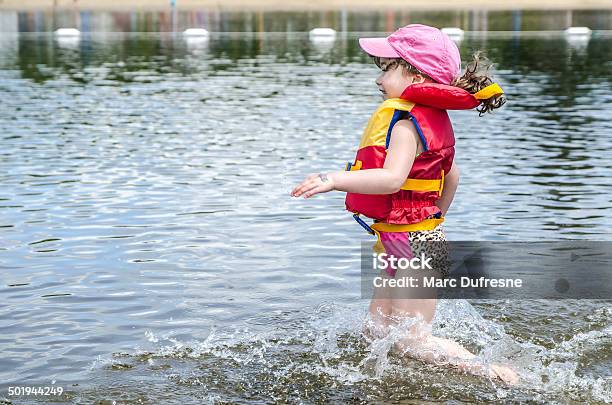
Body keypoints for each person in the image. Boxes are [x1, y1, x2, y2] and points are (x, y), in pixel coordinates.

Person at [291, 24, 516, 384]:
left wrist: (334, 180)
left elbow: (392, 179)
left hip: (416, 245)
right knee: (375, 331)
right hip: (409, 240)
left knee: (414, 342)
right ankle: (389, 385)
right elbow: (452, 176)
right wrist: (435, 218)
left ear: (414, 72)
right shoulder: (426, 117)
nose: (379, 79)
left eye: (386, 68)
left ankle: (499, 375)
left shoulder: (407, 124)